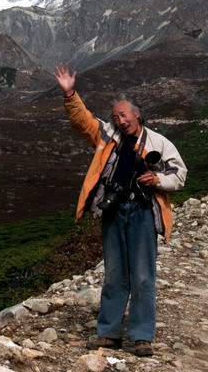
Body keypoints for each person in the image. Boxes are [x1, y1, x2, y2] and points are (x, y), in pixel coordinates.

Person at [54, 62, 187, 358]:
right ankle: (109, 334)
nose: (120, 120)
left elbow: (180, 174)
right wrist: (70, 94)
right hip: (113, 211)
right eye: (116, 116)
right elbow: (83, 121)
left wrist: (157, 179)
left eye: (123, 115)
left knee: (142, 276)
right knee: (114, 274)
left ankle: (141, 337)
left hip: (141, 211)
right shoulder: (107, 135)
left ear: (136, 114)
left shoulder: (158, 143)